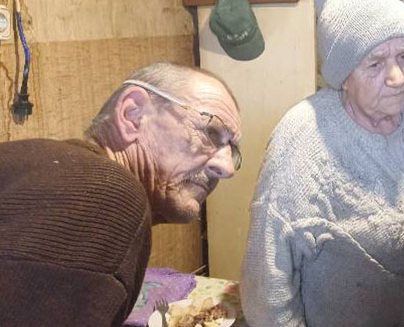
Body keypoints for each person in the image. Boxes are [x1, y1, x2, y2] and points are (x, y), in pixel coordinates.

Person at [241, 0, 404, 327]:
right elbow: (266, 290)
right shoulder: (302, 139)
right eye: (375, 63)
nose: (398, 78)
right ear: (342, 77)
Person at [0, 62, 242, 326]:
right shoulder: (108, 195)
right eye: (210, 132)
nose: (227, 168)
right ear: (132, 114)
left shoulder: (55, 168)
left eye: (232, 151)